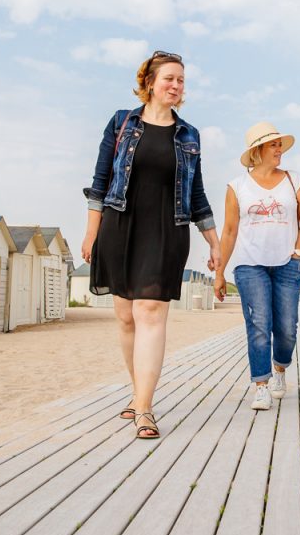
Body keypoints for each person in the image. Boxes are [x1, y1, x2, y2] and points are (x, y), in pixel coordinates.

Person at [81, 50, 220, 439]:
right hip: (120, 223)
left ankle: (144, 408)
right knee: (126, 317)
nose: (176, 86)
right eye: (169, 78)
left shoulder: (188, 134)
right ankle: (137, 391)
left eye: (181, 80)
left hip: (166, 228)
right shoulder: (121, 123)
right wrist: (91, 233)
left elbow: (196, 193)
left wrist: (213, 241)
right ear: (149, 82)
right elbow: (100, 180)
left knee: (151, 311)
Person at [214, 122, 300, 411]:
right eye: (273, 145)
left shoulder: (294, 180)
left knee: (287, 328)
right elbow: (229, 231)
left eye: (280, 144)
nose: (279, 149)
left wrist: (297, 251)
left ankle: (280, 369)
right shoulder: (237, 186)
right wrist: (219, 273)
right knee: (259, 325)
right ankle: (261, 386)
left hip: (287, 264)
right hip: (249, 265)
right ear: (257, 151)